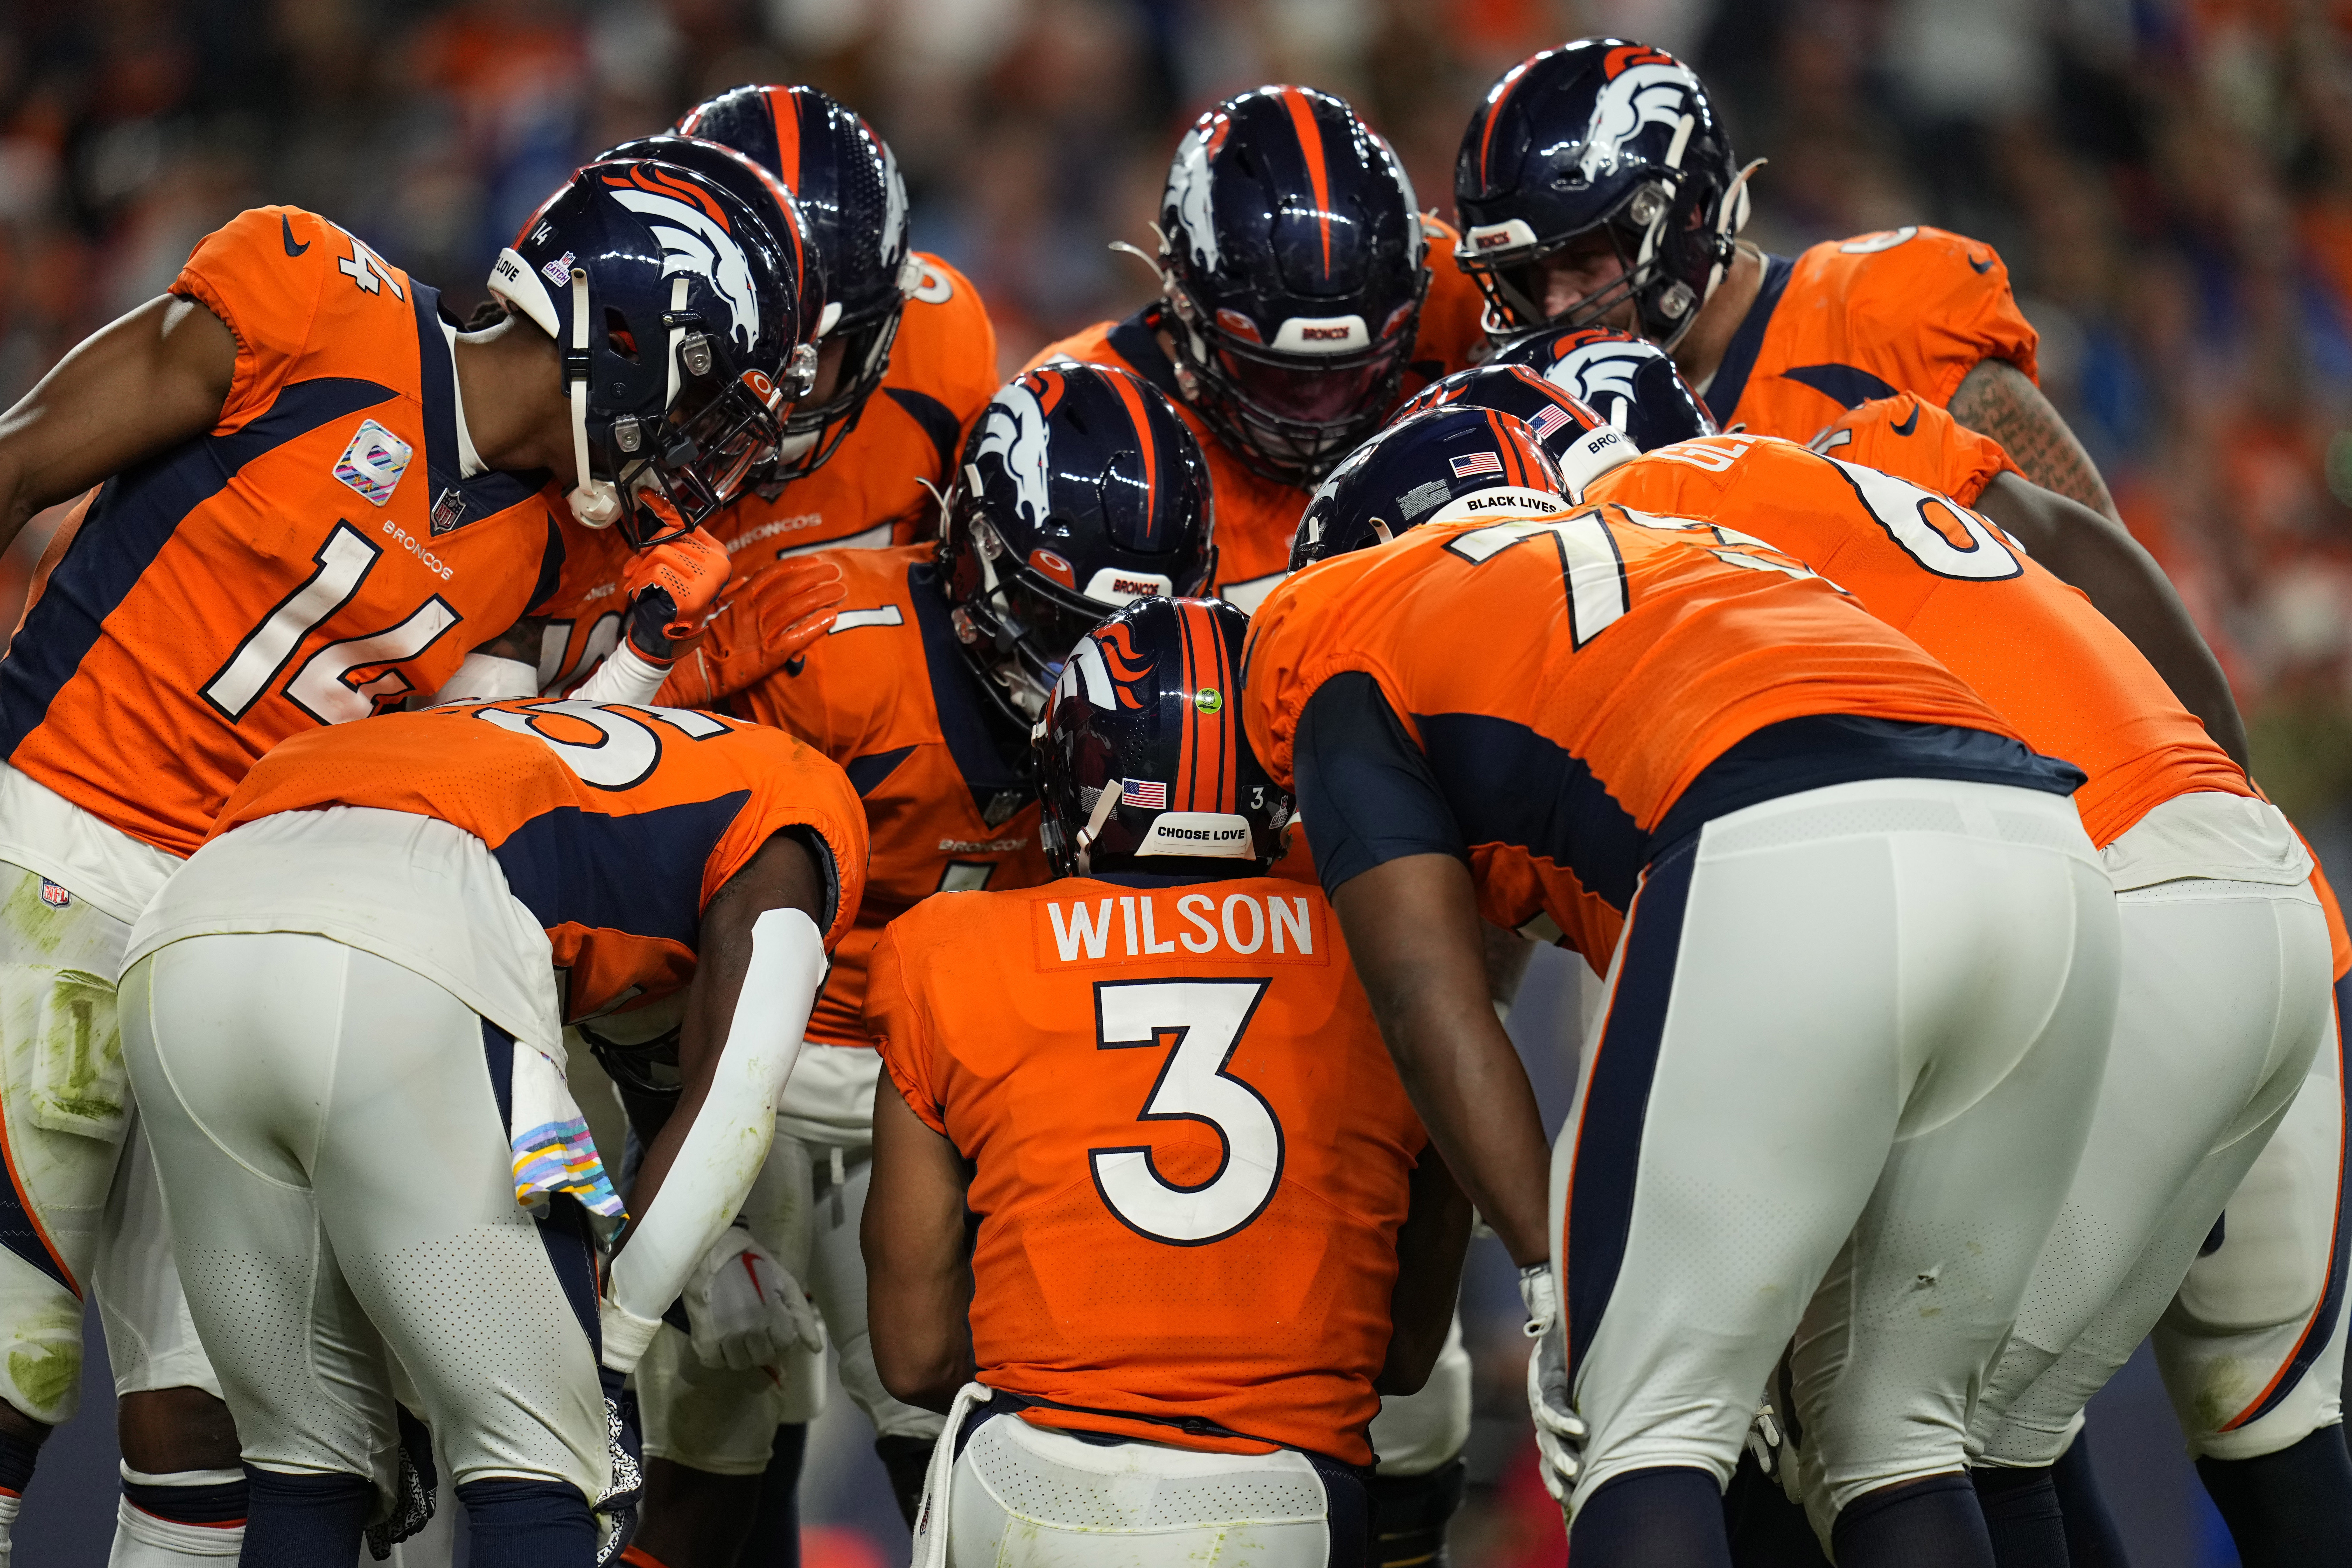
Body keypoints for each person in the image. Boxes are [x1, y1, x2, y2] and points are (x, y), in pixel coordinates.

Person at [0, 151, 814, 1565]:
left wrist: (637, 660)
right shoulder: (312, 298)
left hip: (228, 931)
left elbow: (478, 805)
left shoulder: (562, 554)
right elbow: (14, 460)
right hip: (56, 849)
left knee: (219, 1427)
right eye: (694, 403)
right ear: (620, 335)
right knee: (12, 1356)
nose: (692, 454)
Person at [1246, 403, 2123, 1567]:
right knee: (1899, 1437)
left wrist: (1549, 1272)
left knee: (1649, 1419)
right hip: (2048, 853)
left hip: (1788, 839)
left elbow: (1425, 1000)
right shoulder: (1674, 548)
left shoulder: (1343, 619)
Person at [1557, 352, 2328, 1562]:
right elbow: (2086, 545)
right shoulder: (1844, 462)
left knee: (1877, 1433)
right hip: (2246, 872)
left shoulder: (1625, 543)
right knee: (2026, 1430)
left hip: (2102, 892)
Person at [619, 362, 1215, 1566]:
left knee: (962, 1444)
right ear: (973, 552)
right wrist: (673, 1156)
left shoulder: (1189, 694)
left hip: (959, 1096)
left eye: (1122, 642)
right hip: (763, 1076)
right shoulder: (820, 640)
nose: (1082, 677)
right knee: (703, 1467)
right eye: (1057, 623)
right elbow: (625, 878)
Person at [113, 694, 864, 1565]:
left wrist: (705, 1244)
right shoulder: (799, 807)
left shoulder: (539, 766)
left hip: (185, 928)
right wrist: (616, 1346)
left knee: (307, 1460)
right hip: (408, 934)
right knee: (540, 1466)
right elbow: (736, 1088)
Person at [1805, 388, 2352, 1565]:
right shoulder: (1871, 435)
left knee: (1944, 1420)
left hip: (2121, 911)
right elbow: (2109, 564)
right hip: (2259, 886)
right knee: (2237, 1412)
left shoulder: (1731, 485)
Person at [862, 594, 1472, 1568]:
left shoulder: (941, 950)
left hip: (1028, 1482)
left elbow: (914, 1352)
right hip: (1286, 1491)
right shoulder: (1391, 954)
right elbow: (1402, 1354)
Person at [1453, 38, 2119, 521]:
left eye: (1580, 261)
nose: (1552, 302)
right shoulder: (1537, 413)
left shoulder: (1877, 320)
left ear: (1687, 216)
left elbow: (2093, 566)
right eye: (1523, 276)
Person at [535, 85, 1000, 691]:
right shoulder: (579, 411)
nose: (774, 388)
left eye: (813, 353)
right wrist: (680, 671)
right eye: (744, 348)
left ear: (876, 335)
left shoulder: (940, 350)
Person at [1026, 83, 1484, 614]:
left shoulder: (1456, 297)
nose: (1319, 415)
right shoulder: (1082, 418)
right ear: (1183, 298)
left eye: (1348, 372)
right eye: (1281, 376)